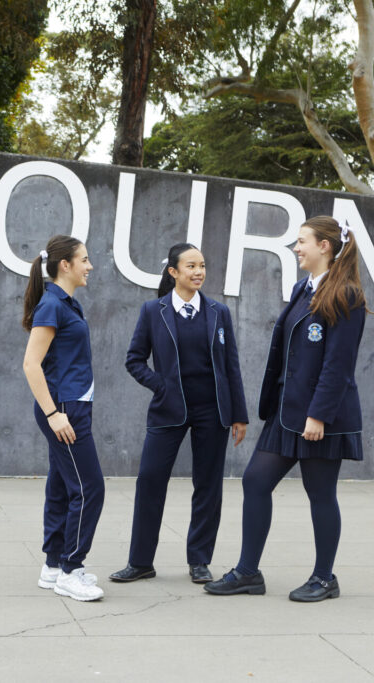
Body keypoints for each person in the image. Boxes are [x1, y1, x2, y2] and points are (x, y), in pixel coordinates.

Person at [205, 216, 369, 602]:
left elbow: (338, 364)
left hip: (319, 417)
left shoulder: (346, 294)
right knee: (255, 481)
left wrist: (319, 415)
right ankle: (248, 572)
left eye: (302, 242)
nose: (297, 248)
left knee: (320, 493)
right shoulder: (302, 289)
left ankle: (324, 578)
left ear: (324, 246)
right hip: (286, 411)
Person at [110, 243, 248, 585]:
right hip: (168, 409)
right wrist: (161, 386)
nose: (199, 272)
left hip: (213, 411)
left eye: (202, 265)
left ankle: (199, 560)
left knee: (208, 486)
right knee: (150, 481)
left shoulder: (219, 312)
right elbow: (134, 360)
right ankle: (141, 561)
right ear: (173, 272)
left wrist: (239, 415)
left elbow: (232, 367)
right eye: (191, 266)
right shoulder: (152, 311)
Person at [22, 234, 106, 602]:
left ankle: (54, 564)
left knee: (61, 486)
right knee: (90, 489)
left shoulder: (68, 304)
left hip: (73, 406)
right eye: (84, 260)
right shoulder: (51, 305)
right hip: (63, 411)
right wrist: (54, 414)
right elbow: (30, 365)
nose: (89, 266)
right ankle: (72, 569)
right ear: (65, 265)